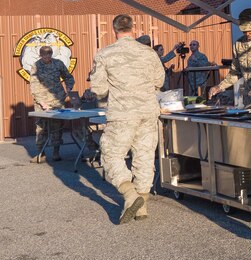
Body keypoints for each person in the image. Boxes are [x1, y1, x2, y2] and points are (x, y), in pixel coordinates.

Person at [86, 14, 165, 224]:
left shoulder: (104, 54)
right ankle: (142, 205)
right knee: (145, 156)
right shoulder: (148, 52)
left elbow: (99, 89)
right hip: (148, 111)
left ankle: (130, 195)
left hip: (122, 113)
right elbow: (159, 80)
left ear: (114, 30)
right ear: (133, 28)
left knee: (111, 155)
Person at [29, 45, 75, 163]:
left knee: (57, 127)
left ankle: (56, 153)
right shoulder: (36, 66)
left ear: (51, 54)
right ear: (40, 55)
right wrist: (42, 102)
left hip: (57, 99)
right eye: (44, 55)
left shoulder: (58, 63)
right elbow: (34, 85)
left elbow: (68, 77)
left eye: (49, 55)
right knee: (41, 127)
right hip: (42, 101)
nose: (47, 57)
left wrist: (69, 88)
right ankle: (41, 153)